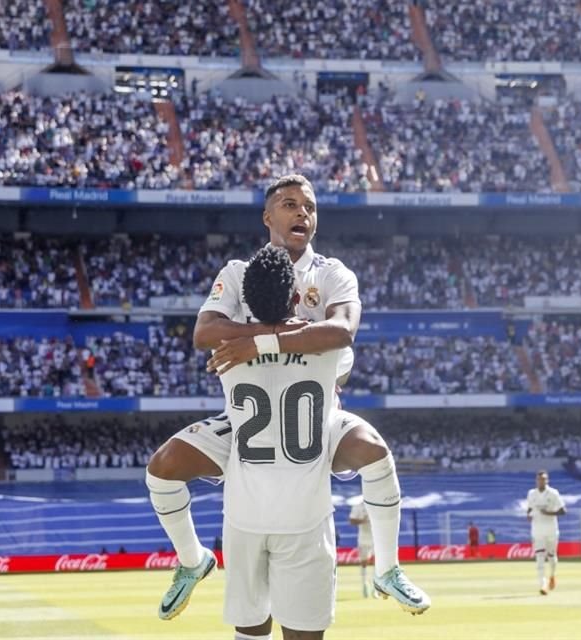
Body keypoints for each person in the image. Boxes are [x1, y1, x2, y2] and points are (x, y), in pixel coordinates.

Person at [146, 174, 429, 620]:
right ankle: (191, 559)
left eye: (310, 206)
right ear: (267, 216)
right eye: (290, 204)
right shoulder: (238, 274)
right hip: (249, 414)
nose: (302, 212)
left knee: (374, 452)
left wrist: (259, 342)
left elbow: (343, 332)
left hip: (318, 412)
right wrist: (276, 333)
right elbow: (205, 332)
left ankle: (388, 568)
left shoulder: (332, 273)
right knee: (163, 467)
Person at [218, 244, 346, 639]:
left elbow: (210, 330)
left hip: (245, 510)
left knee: (249, 629)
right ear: (295, 296)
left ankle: (189, 557)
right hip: (305, 511)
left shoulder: (225, 353)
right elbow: (340, 349)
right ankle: (390, 566)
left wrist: (255, 339)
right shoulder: (329, 353)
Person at [526, 470, 566, 595]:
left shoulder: (553, 493)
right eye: (539, 479)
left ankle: (552, 575)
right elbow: (529, 509)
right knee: (539, 557)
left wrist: (548, 513)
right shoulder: (531, 494)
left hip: (551, 529)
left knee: (552, 556)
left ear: (547, 480)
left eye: (543, 479)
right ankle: (543, 584)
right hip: (537, 530)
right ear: (536, 480)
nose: (541, 481)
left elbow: (563, 511)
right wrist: (528, 515)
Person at [348, 497, 376, 598]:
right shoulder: (358, 506)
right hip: (363, 538)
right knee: (364, 562)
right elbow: (351, 520)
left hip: (376, 537)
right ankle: (364, 584)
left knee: (377, 562)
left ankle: (375, 587)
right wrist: (363, 520)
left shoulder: (377, 504)